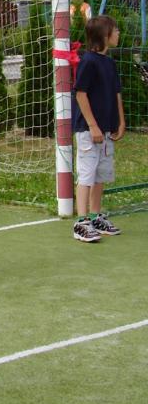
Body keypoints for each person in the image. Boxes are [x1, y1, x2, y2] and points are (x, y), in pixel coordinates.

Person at [71, 14, 125, 243]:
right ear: (105, 35)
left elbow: (116, 93)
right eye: (115, 29)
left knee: (100, 174)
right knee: (86, 174)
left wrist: (120, 121)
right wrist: (93, 126)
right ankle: (81, 222)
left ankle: (95, 217)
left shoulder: (110, 63)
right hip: (88, 131)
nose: (118, 33)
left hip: (106, 131)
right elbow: (81, 94)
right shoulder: (88, 61)